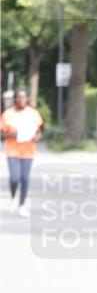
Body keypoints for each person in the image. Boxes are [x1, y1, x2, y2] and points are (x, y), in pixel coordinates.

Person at [1, 88, 44, 217]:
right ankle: (14, 196)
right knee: (15, 178)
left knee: (24, 178)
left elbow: (40, 130)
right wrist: (11, 134)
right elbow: (1, 133)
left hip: (28, 151)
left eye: (24, 97)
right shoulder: (8, 114)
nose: (21, 99)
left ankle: (22, 205)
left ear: (27, 99)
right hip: (12, 150)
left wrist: (37, 137)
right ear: (15, 99)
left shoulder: (33, 113)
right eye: (19, 97)